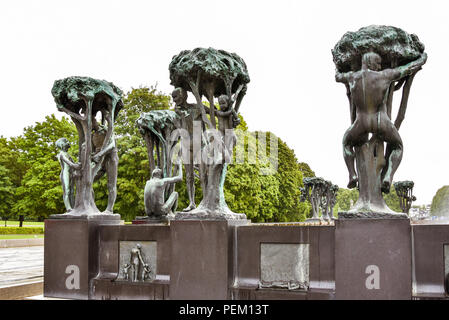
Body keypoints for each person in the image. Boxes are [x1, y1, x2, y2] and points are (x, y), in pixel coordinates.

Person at [336, 51, 427, 192]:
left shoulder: (352, 77)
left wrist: (339, 63)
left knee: (346, 143)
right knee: (398, 146)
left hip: (361, 122)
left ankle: (352, 174)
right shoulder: (385, 76)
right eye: (377, 63)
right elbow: (407, 69)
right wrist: (421, 59)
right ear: (370, 62)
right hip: (381, 121)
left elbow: (337, 76)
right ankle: (388, 177)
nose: (379, 66)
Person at [172, 87, 202, 211]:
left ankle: (206, 201)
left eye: (176, 97)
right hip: (185, 145)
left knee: (203, 174)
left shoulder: (196, 107)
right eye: (173, 97)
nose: (174, 100)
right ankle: (192, 203)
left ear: (183, 96)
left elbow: (213, 111)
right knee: (189, 176)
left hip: (199, 144)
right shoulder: (176, 113)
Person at [91, 116, 118, 213]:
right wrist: (93, 155)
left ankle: (109, 209)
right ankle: (91, 205)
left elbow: (112, 145)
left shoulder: (106, 130)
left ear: (94, 121)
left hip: (110, 158)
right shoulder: (92, 135)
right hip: (99, 161)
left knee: (111, 184)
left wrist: (100, 154)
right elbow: (94, 150)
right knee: (88, 181)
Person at [56, 138, 81, 212]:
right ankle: (68, 208)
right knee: (67, 191)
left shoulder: (68, 154)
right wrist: (76, 166)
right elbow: (70, 163)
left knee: (72, 191)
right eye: (66, 142)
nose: (68, 143)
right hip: (65, 174)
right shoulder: (61, 154)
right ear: (62, 145)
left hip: (71, 174)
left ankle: (73, 208)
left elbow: (74, 163)